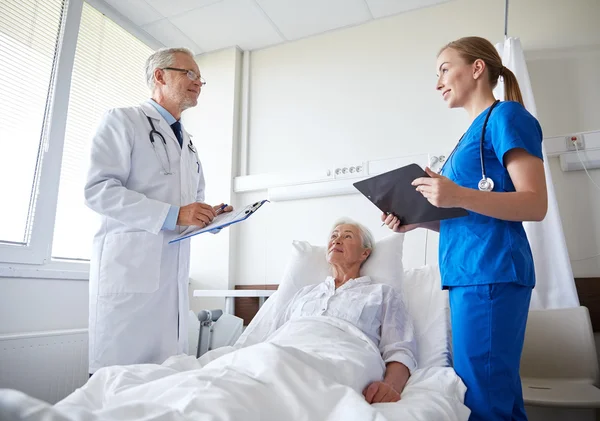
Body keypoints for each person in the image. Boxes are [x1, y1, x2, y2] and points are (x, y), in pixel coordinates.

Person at [382, 36, 547, 421]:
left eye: (443, 69)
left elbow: (534, 203)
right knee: (494, 392)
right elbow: (469, 217)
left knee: (485, 398)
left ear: (477, 69)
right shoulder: (465, 141)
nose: (438, 82)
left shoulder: (506, 117)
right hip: (469, 274)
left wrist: (457, 193)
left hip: (490, 272)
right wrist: (418, 220)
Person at [84, 47, 232, 376]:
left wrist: (211, 217)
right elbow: (98, 190)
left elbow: (192, 207)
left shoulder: (188, 144)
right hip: (130, 275)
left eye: (200, 77)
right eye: (189, 74)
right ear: (160, 76)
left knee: (164, 385)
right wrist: (175, 215)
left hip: (171, 281)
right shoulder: (122, 121)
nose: (198, 82)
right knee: (118, 385)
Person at [276, 219, 417, 404]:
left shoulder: (381, 294)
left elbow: (400, 350)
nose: (337, 240)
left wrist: (390, 387)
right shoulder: (305, 293)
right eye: (334, 236)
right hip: (284, 353)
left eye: (347, 236)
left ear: (364, 253)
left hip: (341, 359)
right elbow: (275, 334)